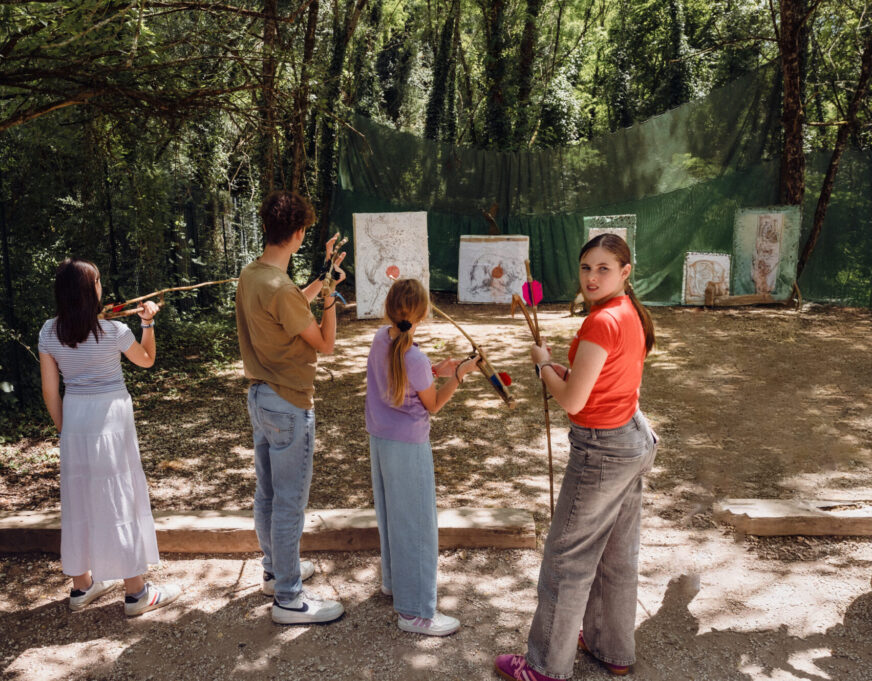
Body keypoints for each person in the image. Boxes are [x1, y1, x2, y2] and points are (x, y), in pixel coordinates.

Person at [495, 233, 658, 680]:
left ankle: (546, 666)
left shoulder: (602, 321)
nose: (592, 276)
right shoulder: (628, 312)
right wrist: (561, 369)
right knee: (615, 555)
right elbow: (601, 381)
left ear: (625, 272)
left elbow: (571, 399)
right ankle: (612, 647)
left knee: (566, 558)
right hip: (630, 438)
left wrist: (543, 364)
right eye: (587, 267)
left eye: (604, 268)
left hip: (603, 449)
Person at [39, 258, 181, 617]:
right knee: (120, 494)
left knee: (79, 496)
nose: (102, 286)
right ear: (91, 291)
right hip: (110, 418)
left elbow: (49, 390)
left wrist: (64, 429)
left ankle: (81, 585)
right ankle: (136, 593)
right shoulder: (114, 331)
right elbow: (147, 360)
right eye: (98, 281)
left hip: (75, 418)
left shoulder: (48, 332)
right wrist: (147, 323)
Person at [236, 190, 347, 624]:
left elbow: (287, 306)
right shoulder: (278, 288)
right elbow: (325, 343)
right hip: (287, 403)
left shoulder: (254, 275)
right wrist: (330, 296)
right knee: (287, 504)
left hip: (261, 398)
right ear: (298, 234)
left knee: (267, 495)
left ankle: (274, 571)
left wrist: (321, 276)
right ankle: (289, 597)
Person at [365, 278, 480, 636]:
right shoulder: (413, 356)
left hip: (380, 441)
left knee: (391, 514)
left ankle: (395, 583)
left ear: (389, 309)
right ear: (423, 314)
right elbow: (432, 405)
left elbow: (402, 379)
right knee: (416, 524)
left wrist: (434, 371)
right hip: (408, 446)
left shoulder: (382, 338)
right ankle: (415, 612)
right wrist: (459, 376)